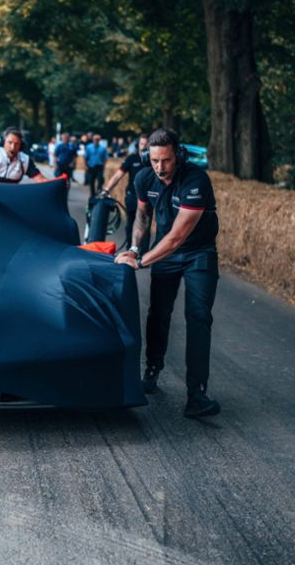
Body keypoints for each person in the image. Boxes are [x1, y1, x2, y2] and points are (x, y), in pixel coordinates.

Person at [114, 128, 220, 418]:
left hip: (197, 252)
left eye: (167, 161)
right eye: (155, 160)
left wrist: (142, 261)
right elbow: (143, 216)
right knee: (158, 313)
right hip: (165, 253)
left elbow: (177, 237)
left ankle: (196, 395)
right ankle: (151, 371)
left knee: (198, 317)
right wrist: (134, 248)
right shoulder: (144, 177)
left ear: (179, 155)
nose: (160, 167)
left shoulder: (196, 180)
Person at [102, 133, 150, 250]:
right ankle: (130, 249)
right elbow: (117, 176)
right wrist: (106, 189)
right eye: (141, 144)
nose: (143, 146)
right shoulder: (131, 159)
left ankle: (143, 254)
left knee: (145, 225)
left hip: (147, 199)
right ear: (138, 145)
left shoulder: (153, 161)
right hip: (132, 197)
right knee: (131, 224)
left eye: (146, 144)